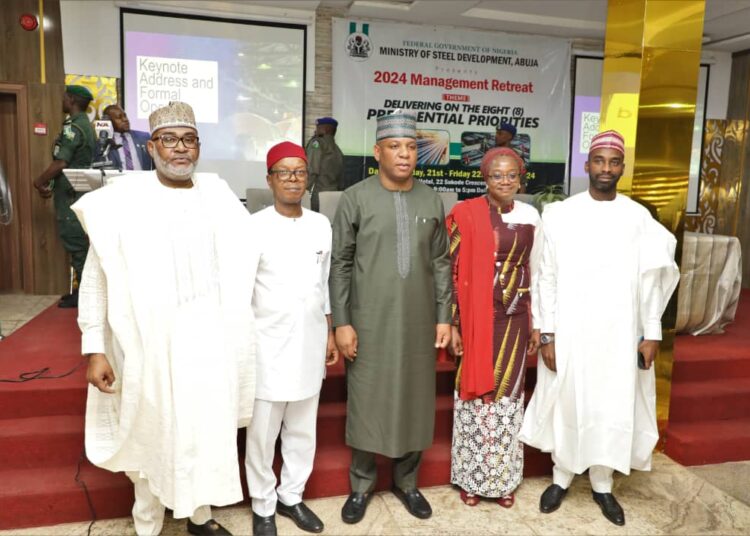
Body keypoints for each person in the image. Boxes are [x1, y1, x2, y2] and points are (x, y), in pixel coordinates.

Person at [74, 101, 256, 536]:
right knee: (152, 432)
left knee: (206, 428)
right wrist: (94, 347)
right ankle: (147, 525)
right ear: (152, 146)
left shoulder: (220, 196)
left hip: (208, 342)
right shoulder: (120, 201)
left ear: (199, 146)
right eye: (170, 140)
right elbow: (96, 280)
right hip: (147, 344)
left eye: (188, 139)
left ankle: (198, 516)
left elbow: (241, 270)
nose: (180, 149)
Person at [519, 130, 680, 526]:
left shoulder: (637, 217)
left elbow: (653, 279)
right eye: (599, 161)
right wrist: (548, 333)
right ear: (587, 164)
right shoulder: (561, 214)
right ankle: (560, 478)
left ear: (622, 168)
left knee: (612, 403)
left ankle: (603, 485)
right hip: (571, 330)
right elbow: (545, 276)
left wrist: (652, 332)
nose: (605, 169)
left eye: (613, 162)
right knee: (568, 400)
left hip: (619, 333)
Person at [329, 110, 452, 524]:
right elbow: (341, 264)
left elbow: (440, 263)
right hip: (368, 321)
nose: (405, 155)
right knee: (367, 399)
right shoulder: (355, 198)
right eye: (395, 147)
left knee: (416, 400)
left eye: (412, 147)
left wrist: (444, 316)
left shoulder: (431, 198)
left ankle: (407, 482)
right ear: (378, 152)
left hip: (418, 321)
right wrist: (341, 321)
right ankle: (361, 485)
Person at [245, 141, 339, 536]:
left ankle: (292, 498)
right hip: (266, 343)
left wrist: (330, 329)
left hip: (311, 340)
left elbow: (324, 283)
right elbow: (241, 290)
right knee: (263, 432)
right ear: (269, 179)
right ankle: (263, 505)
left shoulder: (320, 224)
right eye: (283, 172)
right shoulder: (253, 227)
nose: (292, 179)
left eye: (299, 172)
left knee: (303, 428)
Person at [447, 147, 542, 508]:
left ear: (520, 177)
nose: (505, 181)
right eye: (496, 175)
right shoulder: (465, 214)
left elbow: (538, 269)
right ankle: (470, 477)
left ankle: (502, 480)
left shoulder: (531, 216)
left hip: (514, 319)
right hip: (474, 318)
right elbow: (452, 272)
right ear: (484, 178)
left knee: (507, 396)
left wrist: (537, 324)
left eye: (511, 175)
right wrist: (455, 323)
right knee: (473, 396)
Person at [33, 85, 96, 308]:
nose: (62, 100)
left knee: (76, 241)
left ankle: (86, 295)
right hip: (77, 189)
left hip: (71, 192)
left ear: (71, 99)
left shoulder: (73, 127)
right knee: (78, 241)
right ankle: (84, 291)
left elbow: (62, 162)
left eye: (64, 97)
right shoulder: (86, 125)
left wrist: (39, 181)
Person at [305, 117, 344, 210]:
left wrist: (302, 190)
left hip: (318, 195)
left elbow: (311, 170)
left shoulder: (317, 143)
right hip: (334, 196)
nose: (316, 130)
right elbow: (342, 178)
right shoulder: (338, 150)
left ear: (325, 130)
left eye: (318, 128)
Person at [102, 104, 153, 170]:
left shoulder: (144, 137)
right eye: (119, 117)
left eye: (125, 116)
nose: (125, 119)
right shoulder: (105, 143)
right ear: (109, 122)